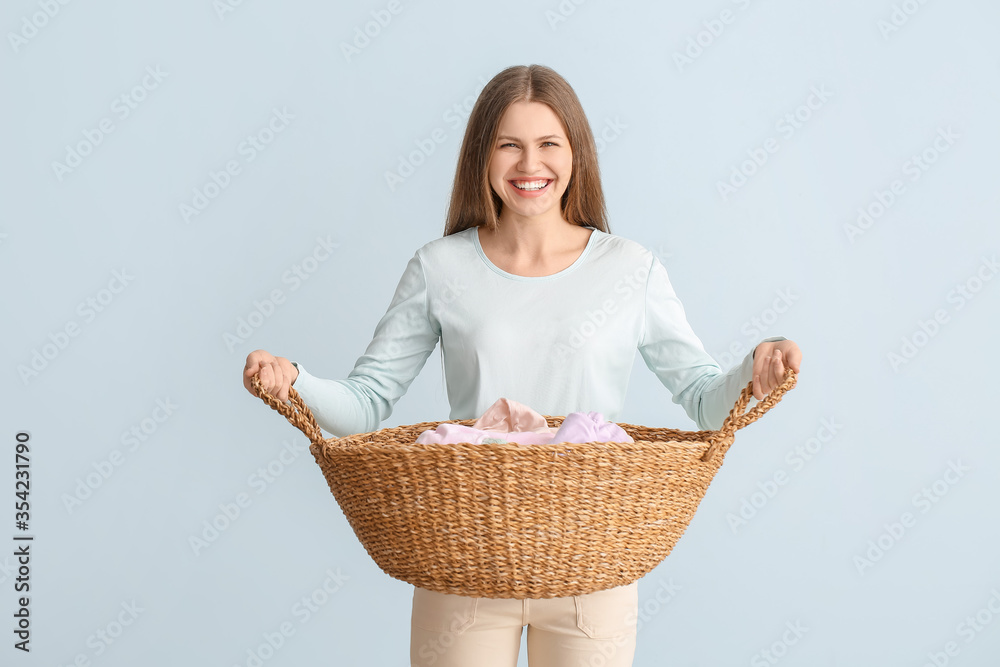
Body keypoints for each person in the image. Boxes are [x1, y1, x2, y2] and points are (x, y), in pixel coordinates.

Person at [243, 64, 803, 667]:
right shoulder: (439, 268)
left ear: (575, 154)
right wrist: (292, 379)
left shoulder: (629, 269)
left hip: (594, 563)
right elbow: (366, 404)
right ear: (482, 157)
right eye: (509, 144)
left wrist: (756, 365)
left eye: (547, 145)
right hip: (462, 561)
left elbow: (701, 397)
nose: (528, 165)